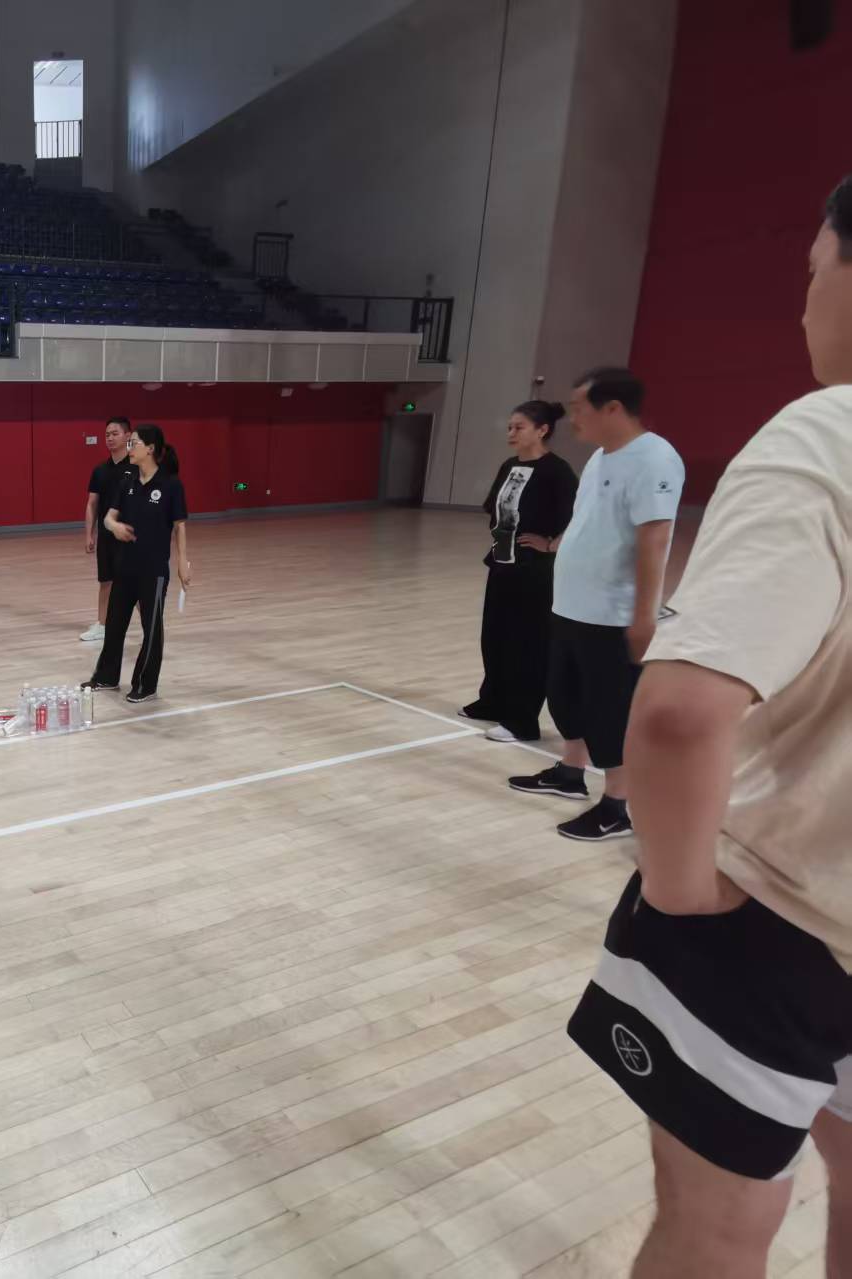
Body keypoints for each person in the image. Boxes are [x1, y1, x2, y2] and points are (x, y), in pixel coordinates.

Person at [564, 177, 852, 1278]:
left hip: (781, 915)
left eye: (811, 271)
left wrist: (682, 898)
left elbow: (682, 712)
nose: (801, 303)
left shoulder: (825, 434)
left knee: (713, 1231)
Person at [506, 368, 683, 842]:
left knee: (608, 710)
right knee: (565, 696)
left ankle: (617, 806)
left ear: (613, 408)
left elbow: (654, 539)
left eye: (579, 408)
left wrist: (643, 616)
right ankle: (570, 772)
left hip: (612, 613)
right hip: (572, 605)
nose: (573, 418)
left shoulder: (655, 459)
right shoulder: (603, 456)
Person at [460, 401, 579, 743]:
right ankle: (493, 702)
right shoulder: (510, 465)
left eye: (519, 427)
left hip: (534, 572)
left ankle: (522, 720)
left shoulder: (558, 471)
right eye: (509, 427)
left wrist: (551, 545)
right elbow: (496, 509)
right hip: (502, 564)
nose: (511, 433)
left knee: (526, 645)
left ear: (542, 430)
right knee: (495, 638)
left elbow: (577, 517)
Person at [83, 423, 190, 703]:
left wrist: (183, 562)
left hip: (153, 571)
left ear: (150, 448)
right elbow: (108, 517)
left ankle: (146, 684)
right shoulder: (127, 483)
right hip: (125, 567)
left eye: (135, 443)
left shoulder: (170, 485)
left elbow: (179, 526)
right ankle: (106, 676)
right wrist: (114, 526)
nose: (130, 448)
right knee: (114, 625)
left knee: (151, 629)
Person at [81, 415, 135, 643]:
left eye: (115, 434)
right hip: (106, 535)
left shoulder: (137, 468)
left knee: (134, 583)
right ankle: (102, 625)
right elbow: (92, 504)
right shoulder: (100, 470)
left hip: (130, 535)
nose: (110, 438)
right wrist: (89, 534)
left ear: (128, 435)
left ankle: (151, 626)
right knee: (106, 581)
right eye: (107, 435)